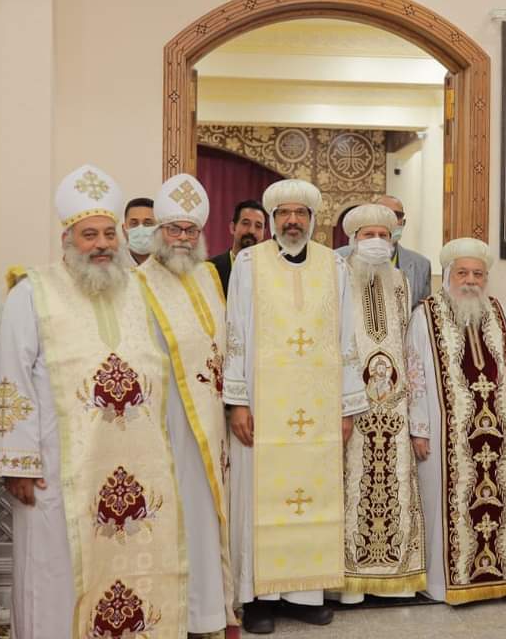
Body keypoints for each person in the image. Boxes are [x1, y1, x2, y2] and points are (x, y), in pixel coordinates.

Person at [0, 165, 185, 638]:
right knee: (53, 572)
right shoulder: (32, 291)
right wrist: (18, 462)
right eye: (89, 235)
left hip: (133, 464)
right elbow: (10, 378)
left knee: (128, 568)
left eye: (108, 234)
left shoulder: (140, 292)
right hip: (58, 465)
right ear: (67, 240)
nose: (101, 244)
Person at [224, 178, 367, 634]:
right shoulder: (249, 264)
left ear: (312, 219)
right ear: (272, 220)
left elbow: (347, 337)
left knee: (313, 499)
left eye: (300, 213)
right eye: (284, 213)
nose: (292, 221)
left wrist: (347, 407)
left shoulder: (334, 266)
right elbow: (235, 333)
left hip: (318, 410)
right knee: (259, 502)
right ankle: (259, 599)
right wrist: (237, 401)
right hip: (263, 409)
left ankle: (305, 594)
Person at [137, 173, 235, 636]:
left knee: (207, 516)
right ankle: (175, 615)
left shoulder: (209, 276)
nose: (182, 238)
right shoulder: (138, 282)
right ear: (159, 232)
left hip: (212, 420)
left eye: (191, 230)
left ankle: (210, 611)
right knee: (176, 515)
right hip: (167, 422)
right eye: (174, 229)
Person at [406, 237, 506, 604]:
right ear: (448, 275)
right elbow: (414, 374)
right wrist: (419, 428)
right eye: (463, 273)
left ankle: (496, 579)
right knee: (446, 508)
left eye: (478, 274)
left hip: (498, 434)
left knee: (500, 509)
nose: (471, 280)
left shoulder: (497, 312)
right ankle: (442, 584)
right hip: (445, 434)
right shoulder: (425, 314)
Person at [337, 204, 426, 603]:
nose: (376, 242)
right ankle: (348, 585)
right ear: (352, 240)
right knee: (351, 487)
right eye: (367, 235)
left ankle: (396, 580)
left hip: (394, 407)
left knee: (396, 487)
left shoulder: (402, 282)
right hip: (351, 404)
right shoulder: (337, 276)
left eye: (383, 236)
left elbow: (408, 342)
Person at [208, 198, 265, 295]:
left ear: (264, 233)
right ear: (233, 228)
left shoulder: (270, 271)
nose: (252, 231)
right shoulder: (211, 269)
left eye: (258, 226)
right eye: (246, 223)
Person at [122, 196, 156, 265]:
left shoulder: (169, 263)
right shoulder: (113, 262)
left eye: (147, 223)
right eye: (134, 223)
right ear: (124, 230)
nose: (141, 229)